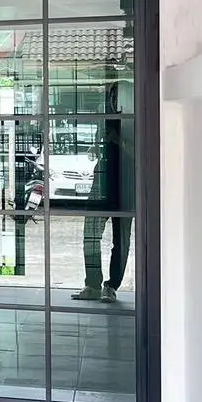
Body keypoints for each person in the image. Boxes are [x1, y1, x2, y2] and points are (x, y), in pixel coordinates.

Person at [71, 74, 134, 303]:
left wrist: (119, 141)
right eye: (110, 93)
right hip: (102, 178)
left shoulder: (136, 118)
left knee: (121, 239)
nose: (111, 97)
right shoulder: (106, 113)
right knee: (90, 233)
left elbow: (145, 154)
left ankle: (111, 286)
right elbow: (102, 143)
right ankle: (92, 284)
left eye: (115, 93)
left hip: (127, 181)